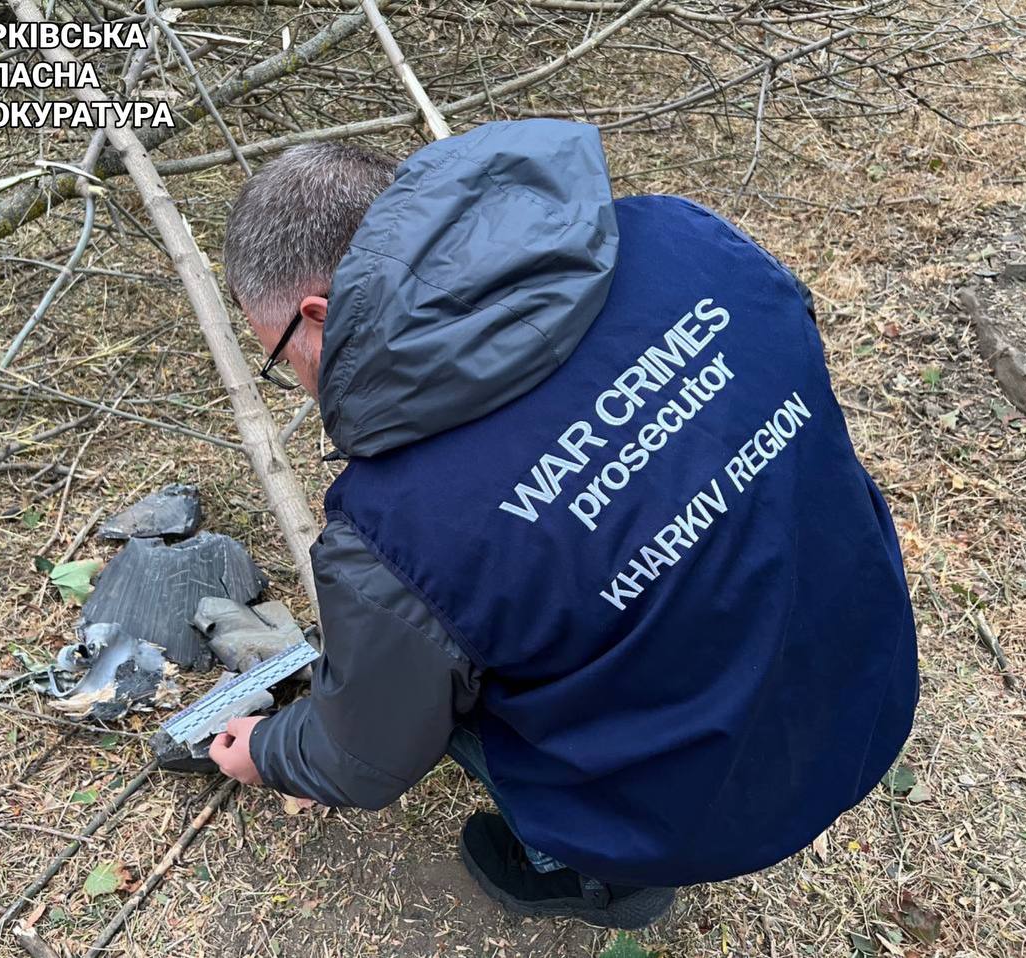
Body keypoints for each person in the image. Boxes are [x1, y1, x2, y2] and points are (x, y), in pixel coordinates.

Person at [208, 120, 918, 929]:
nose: (300, 383)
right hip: (873, 675)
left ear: (319, 315)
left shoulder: (395, 530)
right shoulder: (689, 238)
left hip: (712, 807)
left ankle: (604, 876)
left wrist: (266, 749)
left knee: (439, 683)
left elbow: (366, 755)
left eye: (282, 357)